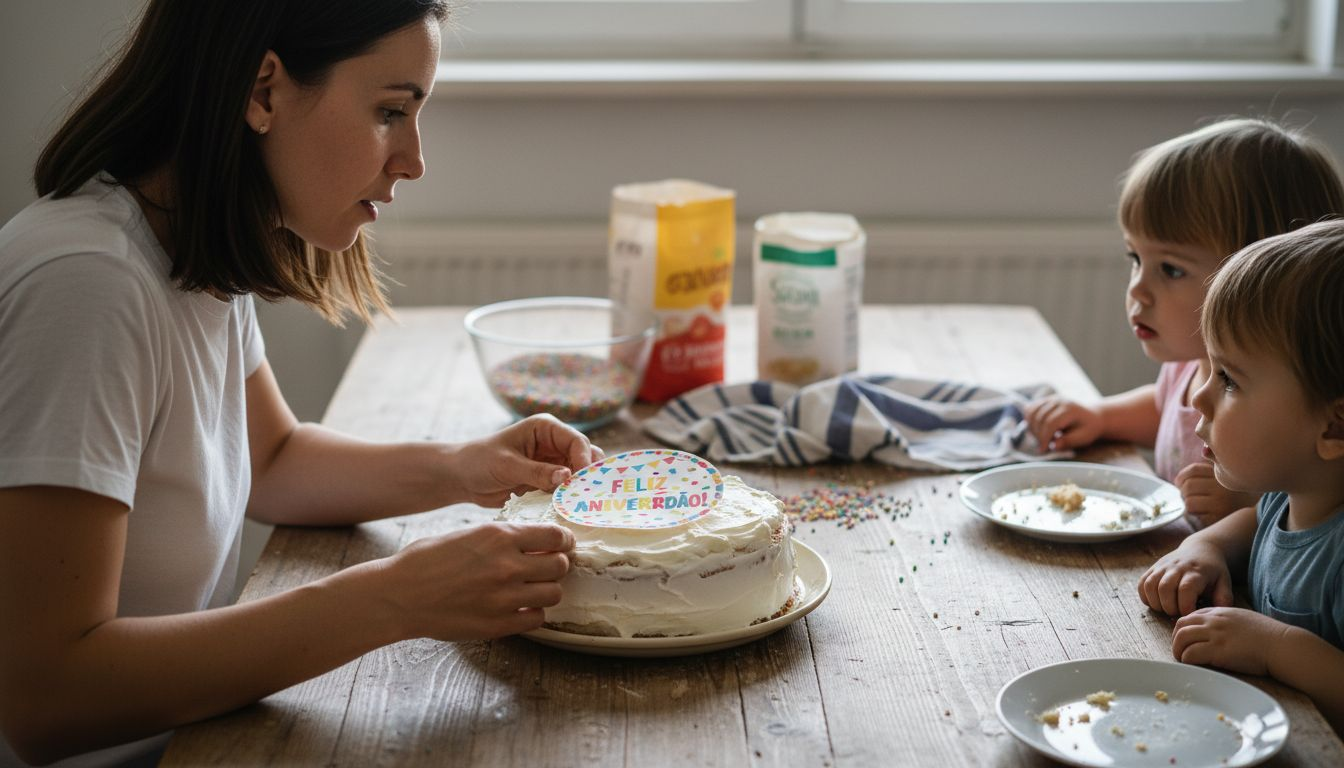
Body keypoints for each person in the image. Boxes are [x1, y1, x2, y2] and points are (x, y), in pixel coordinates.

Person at [0, 2, 600, 766]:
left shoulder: (189, 249)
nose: (413, 160)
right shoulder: (87, 287)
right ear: (262, 92)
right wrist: (395, 597)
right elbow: (46, 697)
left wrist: (467, 467)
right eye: (390, 112)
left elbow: (274, 461)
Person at [1024, 118, 1344, 528]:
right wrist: (1102, 417)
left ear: (1254, 274)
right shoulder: (1189, 370)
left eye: (1170, 270)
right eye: (1135, 260)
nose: (1138, 290)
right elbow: (1165, 410)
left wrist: (1245, 505)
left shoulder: (1278, 405)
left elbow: (1307, 504)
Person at [1137, 219, 1344, 729]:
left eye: (1228, 379)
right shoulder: (1288, 494)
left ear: (1334, 424)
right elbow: (1250, 524)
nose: (1199, 396)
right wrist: (1202, 550)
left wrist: (1273, 646)